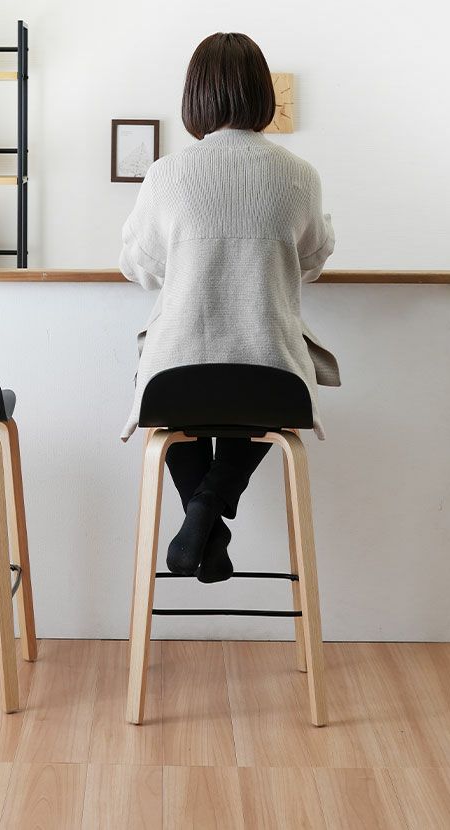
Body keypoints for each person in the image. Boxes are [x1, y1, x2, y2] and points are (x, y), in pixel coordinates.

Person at [119, 32, 340, 583]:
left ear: (195, 96)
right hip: (271, 375)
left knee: (167, 386)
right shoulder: (300, 174)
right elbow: (312, 261)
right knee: (260, 389)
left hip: (177, 376)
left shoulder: (166, 173)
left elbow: (140, 268)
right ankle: (209, 513)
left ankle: (203, 518)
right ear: (263, 93)